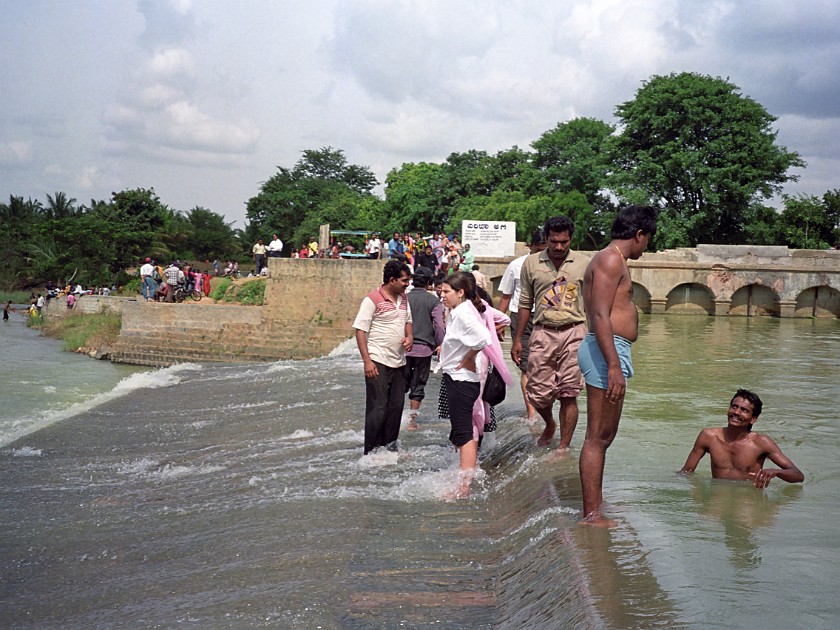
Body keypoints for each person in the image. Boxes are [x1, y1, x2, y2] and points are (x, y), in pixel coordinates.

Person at [578, 204, 658, 526]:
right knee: (597, 437)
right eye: (648, 239)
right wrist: (613, 365)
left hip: (610, 351)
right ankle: (591, 514)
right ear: (639, 234)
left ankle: (595, 504)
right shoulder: (611, 259)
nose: (647, 245)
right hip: (604, 352)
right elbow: (599, 315)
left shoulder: (612, 259)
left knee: (605, 435)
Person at [512, 216, 588, 451]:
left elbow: (595, 303)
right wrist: (517, 339)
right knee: (537, 393)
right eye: (554, 241)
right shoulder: (532, 263)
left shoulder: (584, 263)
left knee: (569, 392)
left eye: (564, 242)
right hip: (542, 331)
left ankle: (563, 447)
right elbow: (525, 302)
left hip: (574, 331)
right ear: (546, 239)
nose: (558, 247)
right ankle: (549, 423)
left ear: (570, 240)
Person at [438, 271, 510, 499]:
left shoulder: (463, 313)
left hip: (462, 380)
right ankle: (464, 482)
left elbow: (483, 338)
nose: (442, 295)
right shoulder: (461, 310)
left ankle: (464, 488)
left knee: (465, 433)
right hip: (457, 377)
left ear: (460, 293)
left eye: (446, 292)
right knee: (464, 430)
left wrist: (469, 358)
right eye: (441, 291)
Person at [680, 389, 804, 487]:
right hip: (719, 499)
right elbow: (686, 472)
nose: (737, 413)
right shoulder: (708, 437)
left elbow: (798, 475)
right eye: (734, 407)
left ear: (753, 419)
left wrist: (775, 472)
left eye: (744, 410)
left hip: (747, 501)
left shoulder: (761, 443)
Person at [353, 260, 414, 455]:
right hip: (378, 360)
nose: (407, 284)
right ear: (392, 280)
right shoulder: (371, 300)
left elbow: (408, 321)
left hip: (399, 361)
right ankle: (370, 452)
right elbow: (360, 331)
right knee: (378, 408)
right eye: (404, 280)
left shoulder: (404, 299)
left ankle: (390, 448)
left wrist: (410, 337)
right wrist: (367, 361)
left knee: (396, 407)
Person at [498, 229, 547, 423]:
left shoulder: (553, 265)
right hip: (521, 318)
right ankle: (531, 412)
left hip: (546, 316)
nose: (541, 254)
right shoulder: (516, 265)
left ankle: (542, 406)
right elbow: (506, 295)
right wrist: (499, 322)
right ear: (531, 246)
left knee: (544, 365)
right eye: (539, 249)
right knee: (526, 366)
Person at [404, 267, 445, 430]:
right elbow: (439, 325)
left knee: (400, 384)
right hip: (424, 350)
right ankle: (412, 422)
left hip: (404, 348)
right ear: (429, 283)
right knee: (418, 385)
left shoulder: (404, 298)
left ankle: (395, 418)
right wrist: (439, 343)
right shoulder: (433, 301)